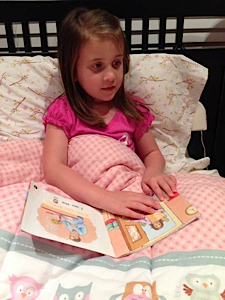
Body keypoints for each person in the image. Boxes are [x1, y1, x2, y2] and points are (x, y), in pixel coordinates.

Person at [43, 7, 177, 220]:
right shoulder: (63, 112)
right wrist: (106, 198)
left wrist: (153, 172)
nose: (110, 76)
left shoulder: (131, 111)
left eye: (116, 63)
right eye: (97, 66)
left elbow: (152, 153)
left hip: (129, 194)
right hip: (85, 200)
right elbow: (53, 169)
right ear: (73, 70)